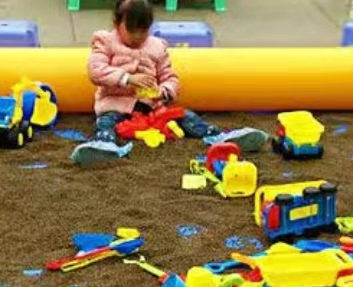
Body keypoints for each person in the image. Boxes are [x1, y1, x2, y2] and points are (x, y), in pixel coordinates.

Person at [72, 0, 268, 166]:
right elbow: (95, 70)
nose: (138, 36)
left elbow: (170, 77)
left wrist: (163, 91)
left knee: (186, 116)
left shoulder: (157, 46)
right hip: (116, 104)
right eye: (132, 30)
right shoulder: (105, 41)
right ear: (116, 23)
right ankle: (103, 146)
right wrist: (127, 78)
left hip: (151, 108)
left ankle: (219, 137)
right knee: (105, 122)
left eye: (143, 31)